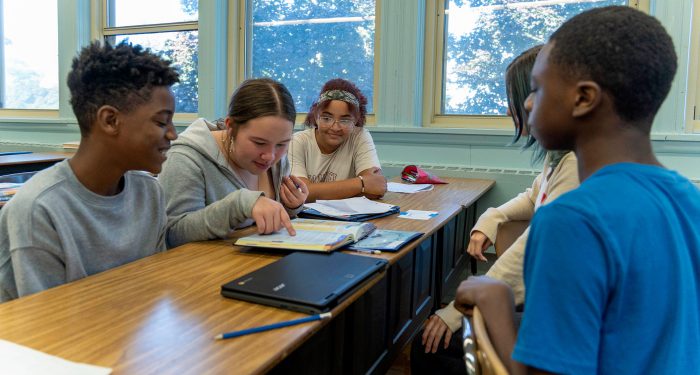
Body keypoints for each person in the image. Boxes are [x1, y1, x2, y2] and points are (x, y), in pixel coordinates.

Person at [455, 6, 700, 374]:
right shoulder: (687, 198)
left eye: (537, 88)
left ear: (584, 98)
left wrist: (497, 300)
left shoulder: (571, 219)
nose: (526, 102)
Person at [410, 45, 580, 375]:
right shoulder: (560, 153)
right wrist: (491, 217)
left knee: (431, 346)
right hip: (550, 303)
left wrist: (455, 313)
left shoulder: (575, 162)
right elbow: (534, 197)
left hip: (560, 316)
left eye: (520, 97)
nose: (511, 109)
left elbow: (532, 249)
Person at [0, 41, 179, 302]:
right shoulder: (39, 209)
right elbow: (44, 323)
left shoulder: (149, 191)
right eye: (162, 122)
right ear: (110, 120)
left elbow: (151, 286)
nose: (173, 134)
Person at [158, 78, 308, 248]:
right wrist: (239, 204)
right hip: (204, 271)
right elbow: (173, 234)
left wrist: (291, 206)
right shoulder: (186, 157)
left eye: (282, 144)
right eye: (259, 143)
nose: (270, 156)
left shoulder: (276, 160)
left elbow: (269, 224)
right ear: (230, 126)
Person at [289, 78, 386, 202]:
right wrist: (361, 183)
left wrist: (314, 191)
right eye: (326, 118)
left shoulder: (360, 136)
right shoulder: (297, 142)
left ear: (355, 121)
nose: (335, 127)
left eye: (345, 120)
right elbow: (301, 193)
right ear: (316, 116)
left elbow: (376, 188)